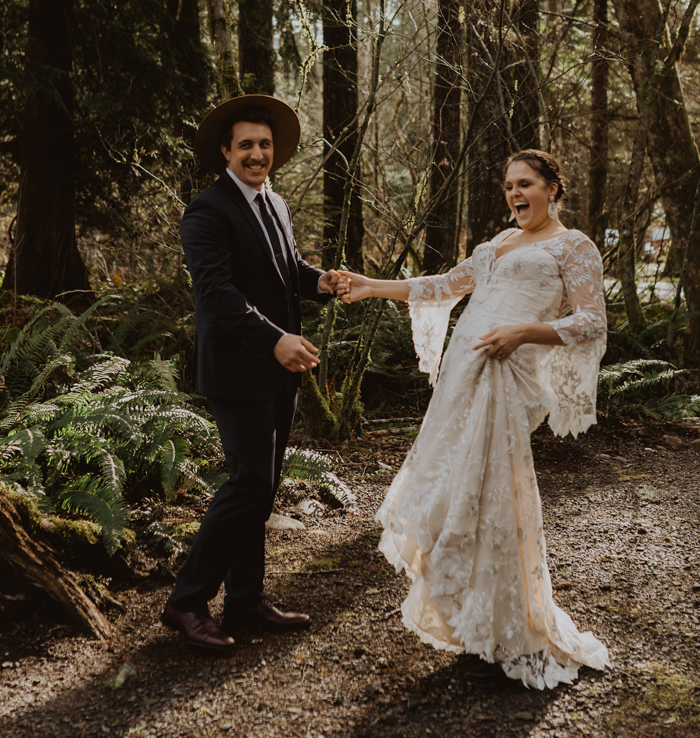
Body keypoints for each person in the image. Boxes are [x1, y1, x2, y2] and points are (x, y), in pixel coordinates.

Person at [337, 149, 610, 688]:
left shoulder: (574, 245)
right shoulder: (500, 243)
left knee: (494, 490)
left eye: (526, 184)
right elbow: (444, 285)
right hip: (464, 375)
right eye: (508, 185)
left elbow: (591, 319)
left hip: (508, 375)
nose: (515, 194)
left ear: (552, 188)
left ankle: (514, 621)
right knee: (463, 487)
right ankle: (470, 615)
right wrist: (371, 285)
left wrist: (522, 333)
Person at [162, 95, 338, 651]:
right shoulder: (206, 211)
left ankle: (244, 599)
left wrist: (321, 282)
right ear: (225, 151)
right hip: (238, 370)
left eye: (264, 145)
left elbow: (284, 272)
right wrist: (275, 340)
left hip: (278, 369)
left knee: (262, 488)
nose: (257, 154)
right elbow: (217, 294)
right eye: (246, 145)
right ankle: (187, 602)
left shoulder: (275, 204)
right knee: (249, 485)